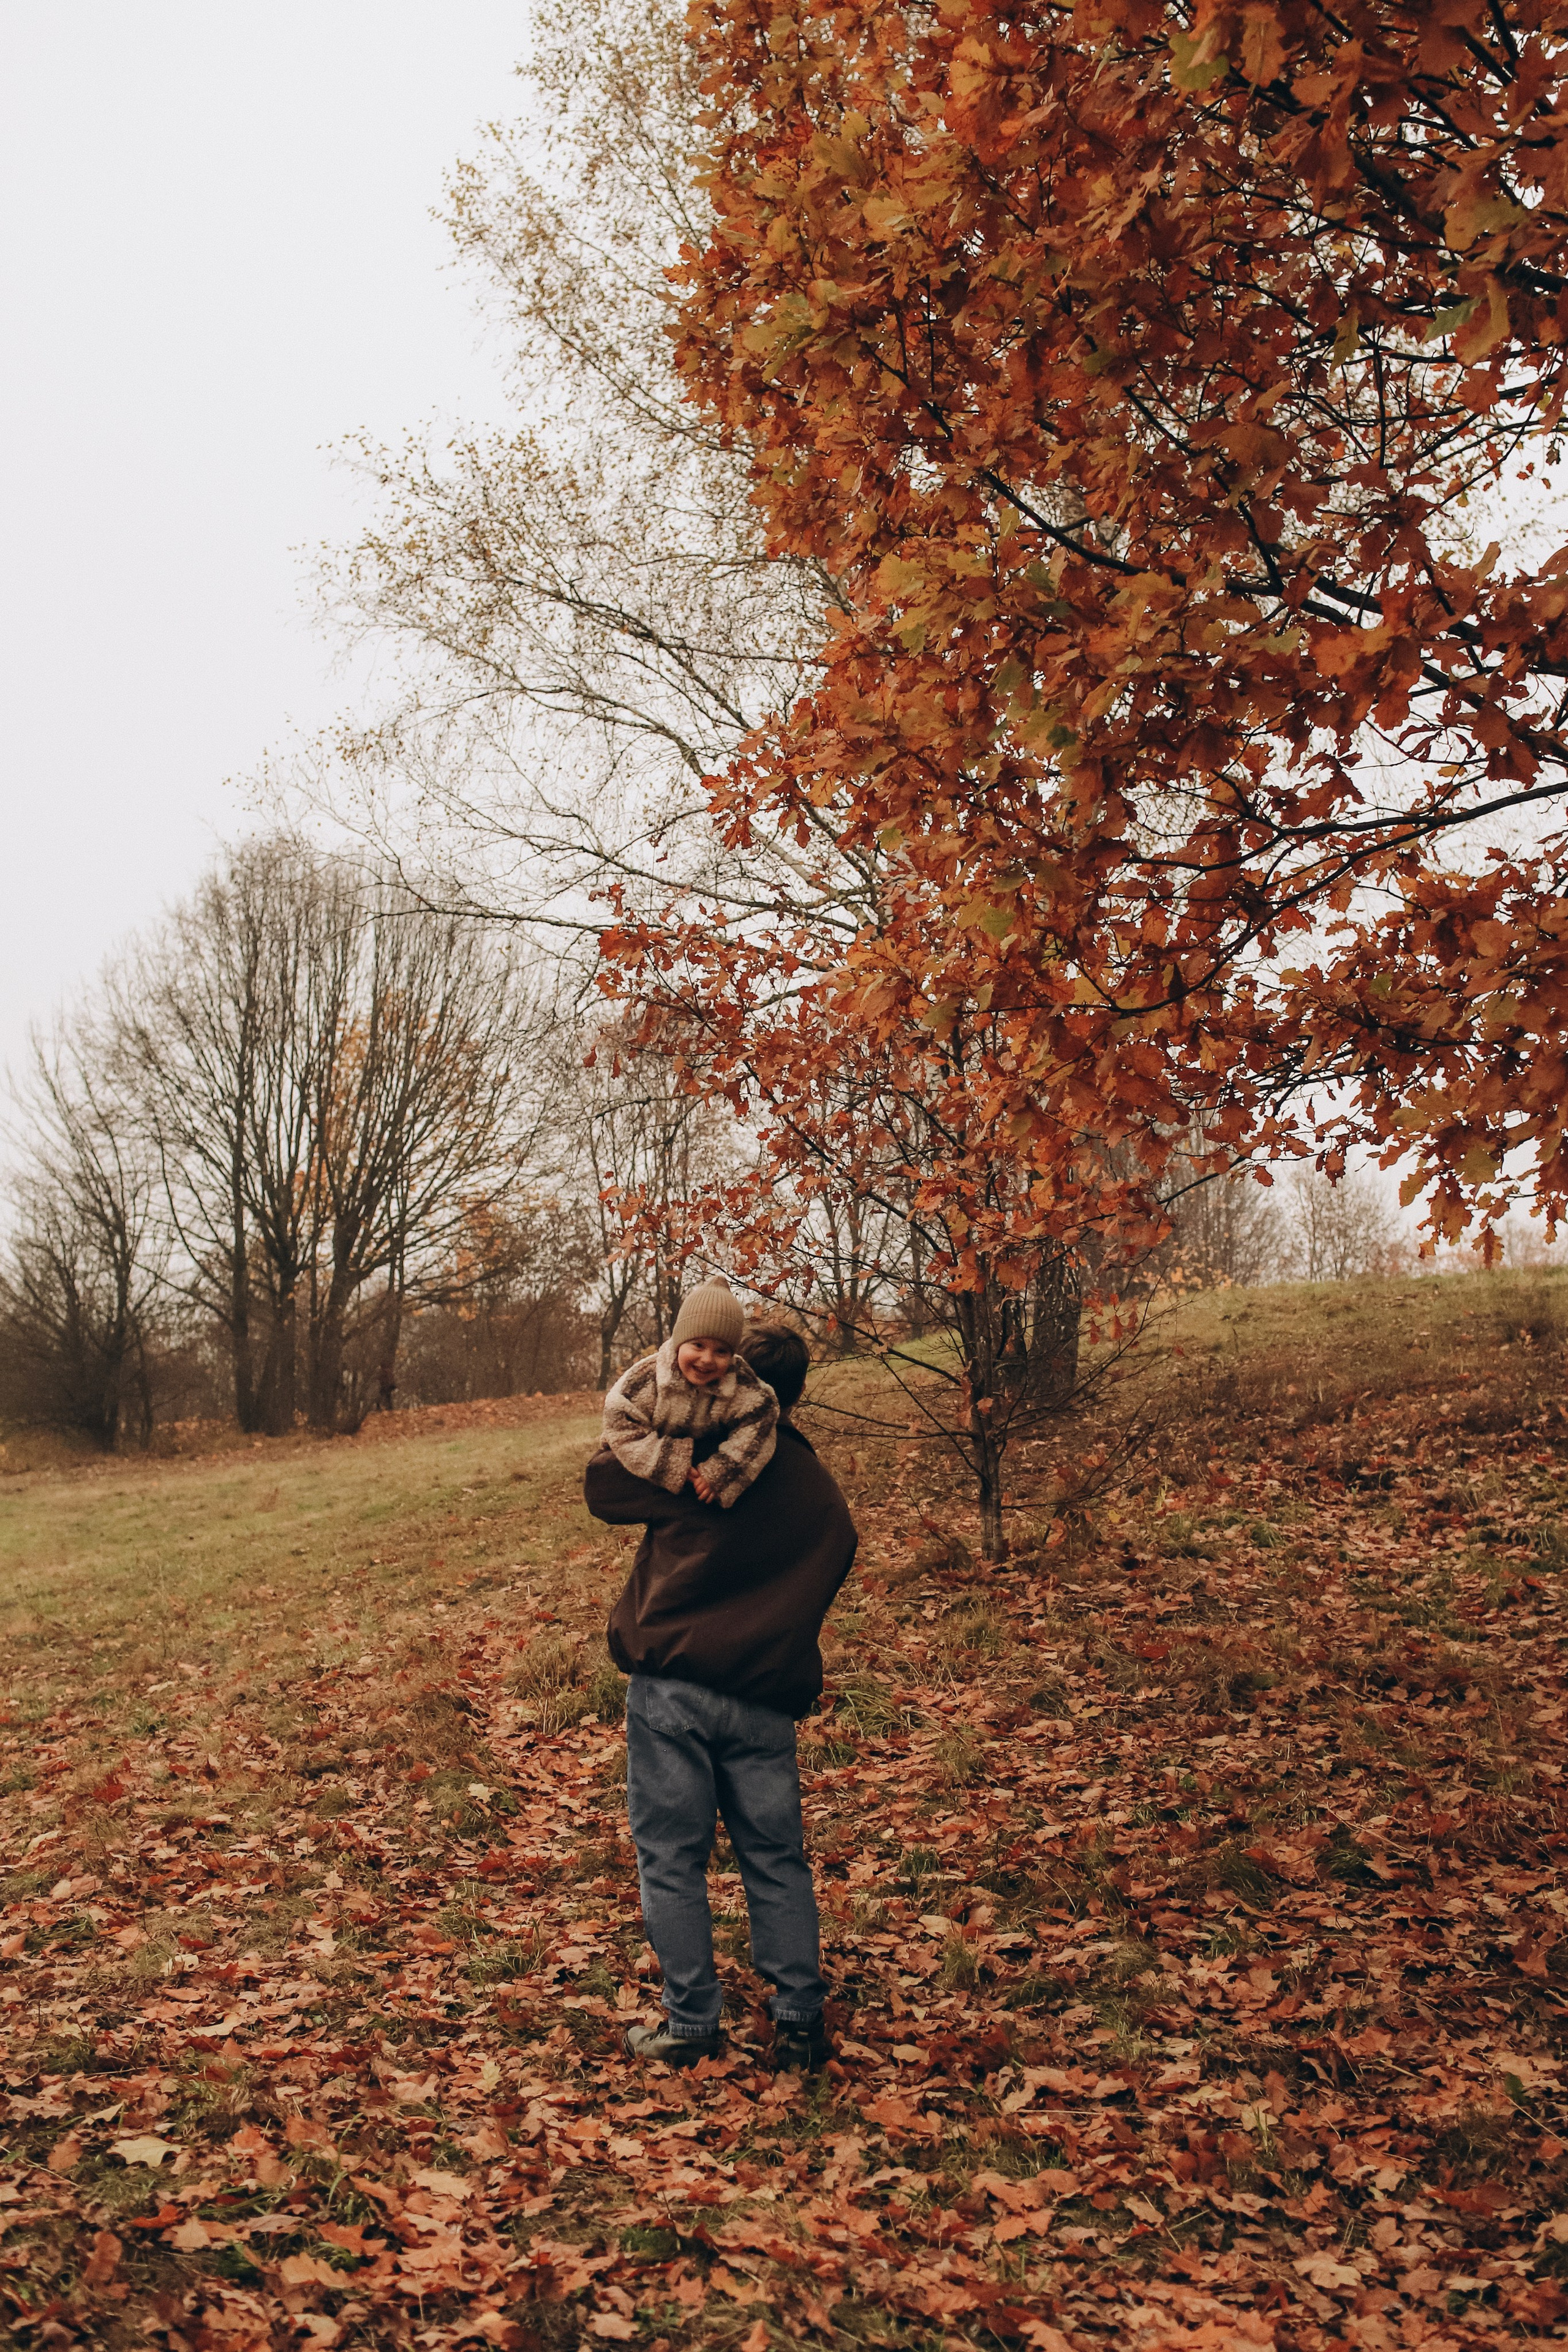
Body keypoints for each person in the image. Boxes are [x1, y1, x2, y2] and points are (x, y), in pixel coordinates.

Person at [584, 1323, 856, 2073]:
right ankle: (800, 2022)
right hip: (764, 1697)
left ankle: (691, 2025)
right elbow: (839, 1551)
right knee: (775, 1857)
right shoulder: (813, 1485)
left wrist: (667, 1428)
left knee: (671, 1857)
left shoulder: (703, 1463)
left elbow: (600, 1486)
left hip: (674, 1684)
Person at [600, 1278, 778, 1509]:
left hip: (707, 1473)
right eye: (698, 1345)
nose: (707, 1359)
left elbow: (761, 1419)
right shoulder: (647, 1378)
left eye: (722, 1351)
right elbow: (619, 1419)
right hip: (647, 1448)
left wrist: (723, 1471)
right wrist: (671, 1463)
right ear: (679, 1342)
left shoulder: (740, 1383)